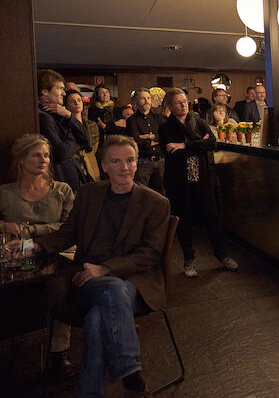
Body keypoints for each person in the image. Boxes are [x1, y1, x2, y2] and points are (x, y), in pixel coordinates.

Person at [31, 135, 170, 396]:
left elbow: (149, 256)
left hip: (134, 282)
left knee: (98, 317)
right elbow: (67, 233)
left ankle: (91, 391)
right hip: (88, 281)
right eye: (116, 161)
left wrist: (104, 269)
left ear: (137, 163)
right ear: (103, 165)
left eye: (130, 160)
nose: (124, 167)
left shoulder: (156, 202)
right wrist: (33, 247)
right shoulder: (88, 194)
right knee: (110, 293)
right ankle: (130, 369)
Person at [0, 135, 76, 380]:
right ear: (21, 159)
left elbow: (69, 228)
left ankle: (59, 351)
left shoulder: (62, 190)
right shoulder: (4, 193)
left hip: (57, 250)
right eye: (36, 155)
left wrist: (29, 230)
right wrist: (0, 226)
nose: (43, 160)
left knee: (59, 282)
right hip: (17, 252)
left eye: (47, 155)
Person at [159, 88, 238, 277]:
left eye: (185, 101)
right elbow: (171, 152)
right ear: (169, 106)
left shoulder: (198, 121)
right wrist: (198, 146)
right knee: (183, 220)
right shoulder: (165, 128)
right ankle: (189, 260)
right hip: (179, 181)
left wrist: (185, 145)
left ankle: (222, 255)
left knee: (212, 216)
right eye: (178, 102)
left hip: (202, 178)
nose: (183, 105)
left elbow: (212, 143)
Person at [37, 69, 90, 193]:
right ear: (45, 92)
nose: (64, 94)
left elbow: (86, 140)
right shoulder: (43, 117)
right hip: (59, 183)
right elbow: (60, 152)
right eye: (59, 89)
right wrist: (74, 140)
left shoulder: (58, 113)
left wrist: (69, 115)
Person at [126, 88, 166, 195]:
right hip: (142, 162)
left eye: (148, 98)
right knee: (141, 195)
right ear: (136, 102)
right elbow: (135, 141)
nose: (147, 101)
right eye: (143, 98)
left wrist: (147, 137)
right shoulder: (131, 120)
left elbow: (165, 137)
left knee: (160, 196)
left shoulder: (158, 119)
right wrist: (154, 138)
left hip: (160, 162)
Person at [64, 89, 99, 183]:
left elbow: (93, 146)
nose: (77, 103)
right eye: (72, 101)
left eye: (79, 100)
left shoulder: (91, 125)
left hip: (90, 163)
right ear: (66, 106)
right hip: (73, 163)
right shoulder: (64, 126)